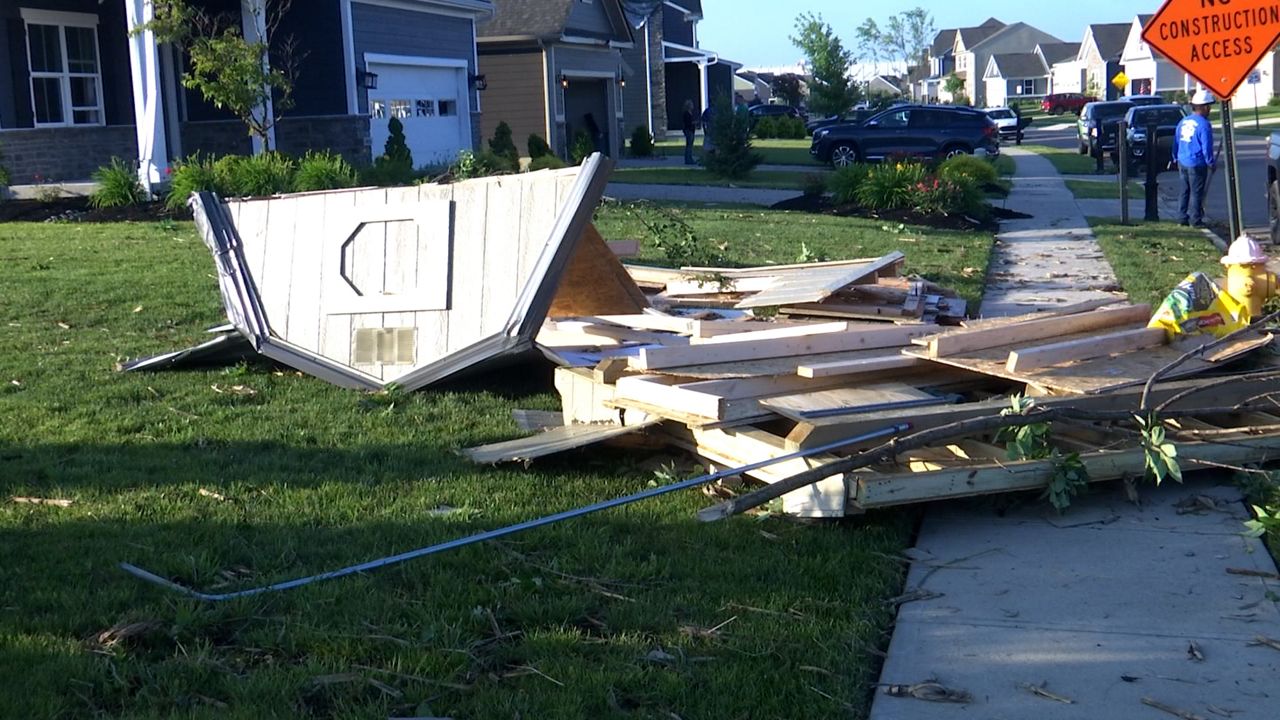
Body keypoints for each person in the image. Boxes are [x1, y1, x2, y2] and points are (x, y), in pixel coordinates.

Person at [1176, 89, 1216, 227]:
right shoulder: (1204, 124)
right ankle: (1195, 219)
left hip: (1182, 161)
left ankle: (1182, 217)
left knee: (1184, 190)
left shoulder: (1183, 121)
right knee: (1196, 192)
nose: (1209, 110)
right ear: (1204, 107)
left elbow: (1177, 141)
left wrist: (1175, 157)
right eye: (1209, 107)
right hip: (1196, 162)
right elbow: (1207, 147)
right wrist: (1210, 162)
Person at [681, 100, 696, 165]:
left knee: (690, 145)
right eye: (691, 105)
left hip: (691, 130)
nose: (693, 106)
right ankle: (688, 160)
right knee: (689, 146)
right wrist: (693, 123)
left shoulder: (690, 113)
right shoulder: (686, 114)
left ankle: (689, 159)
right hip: (689, 130)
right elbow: (688, 123)